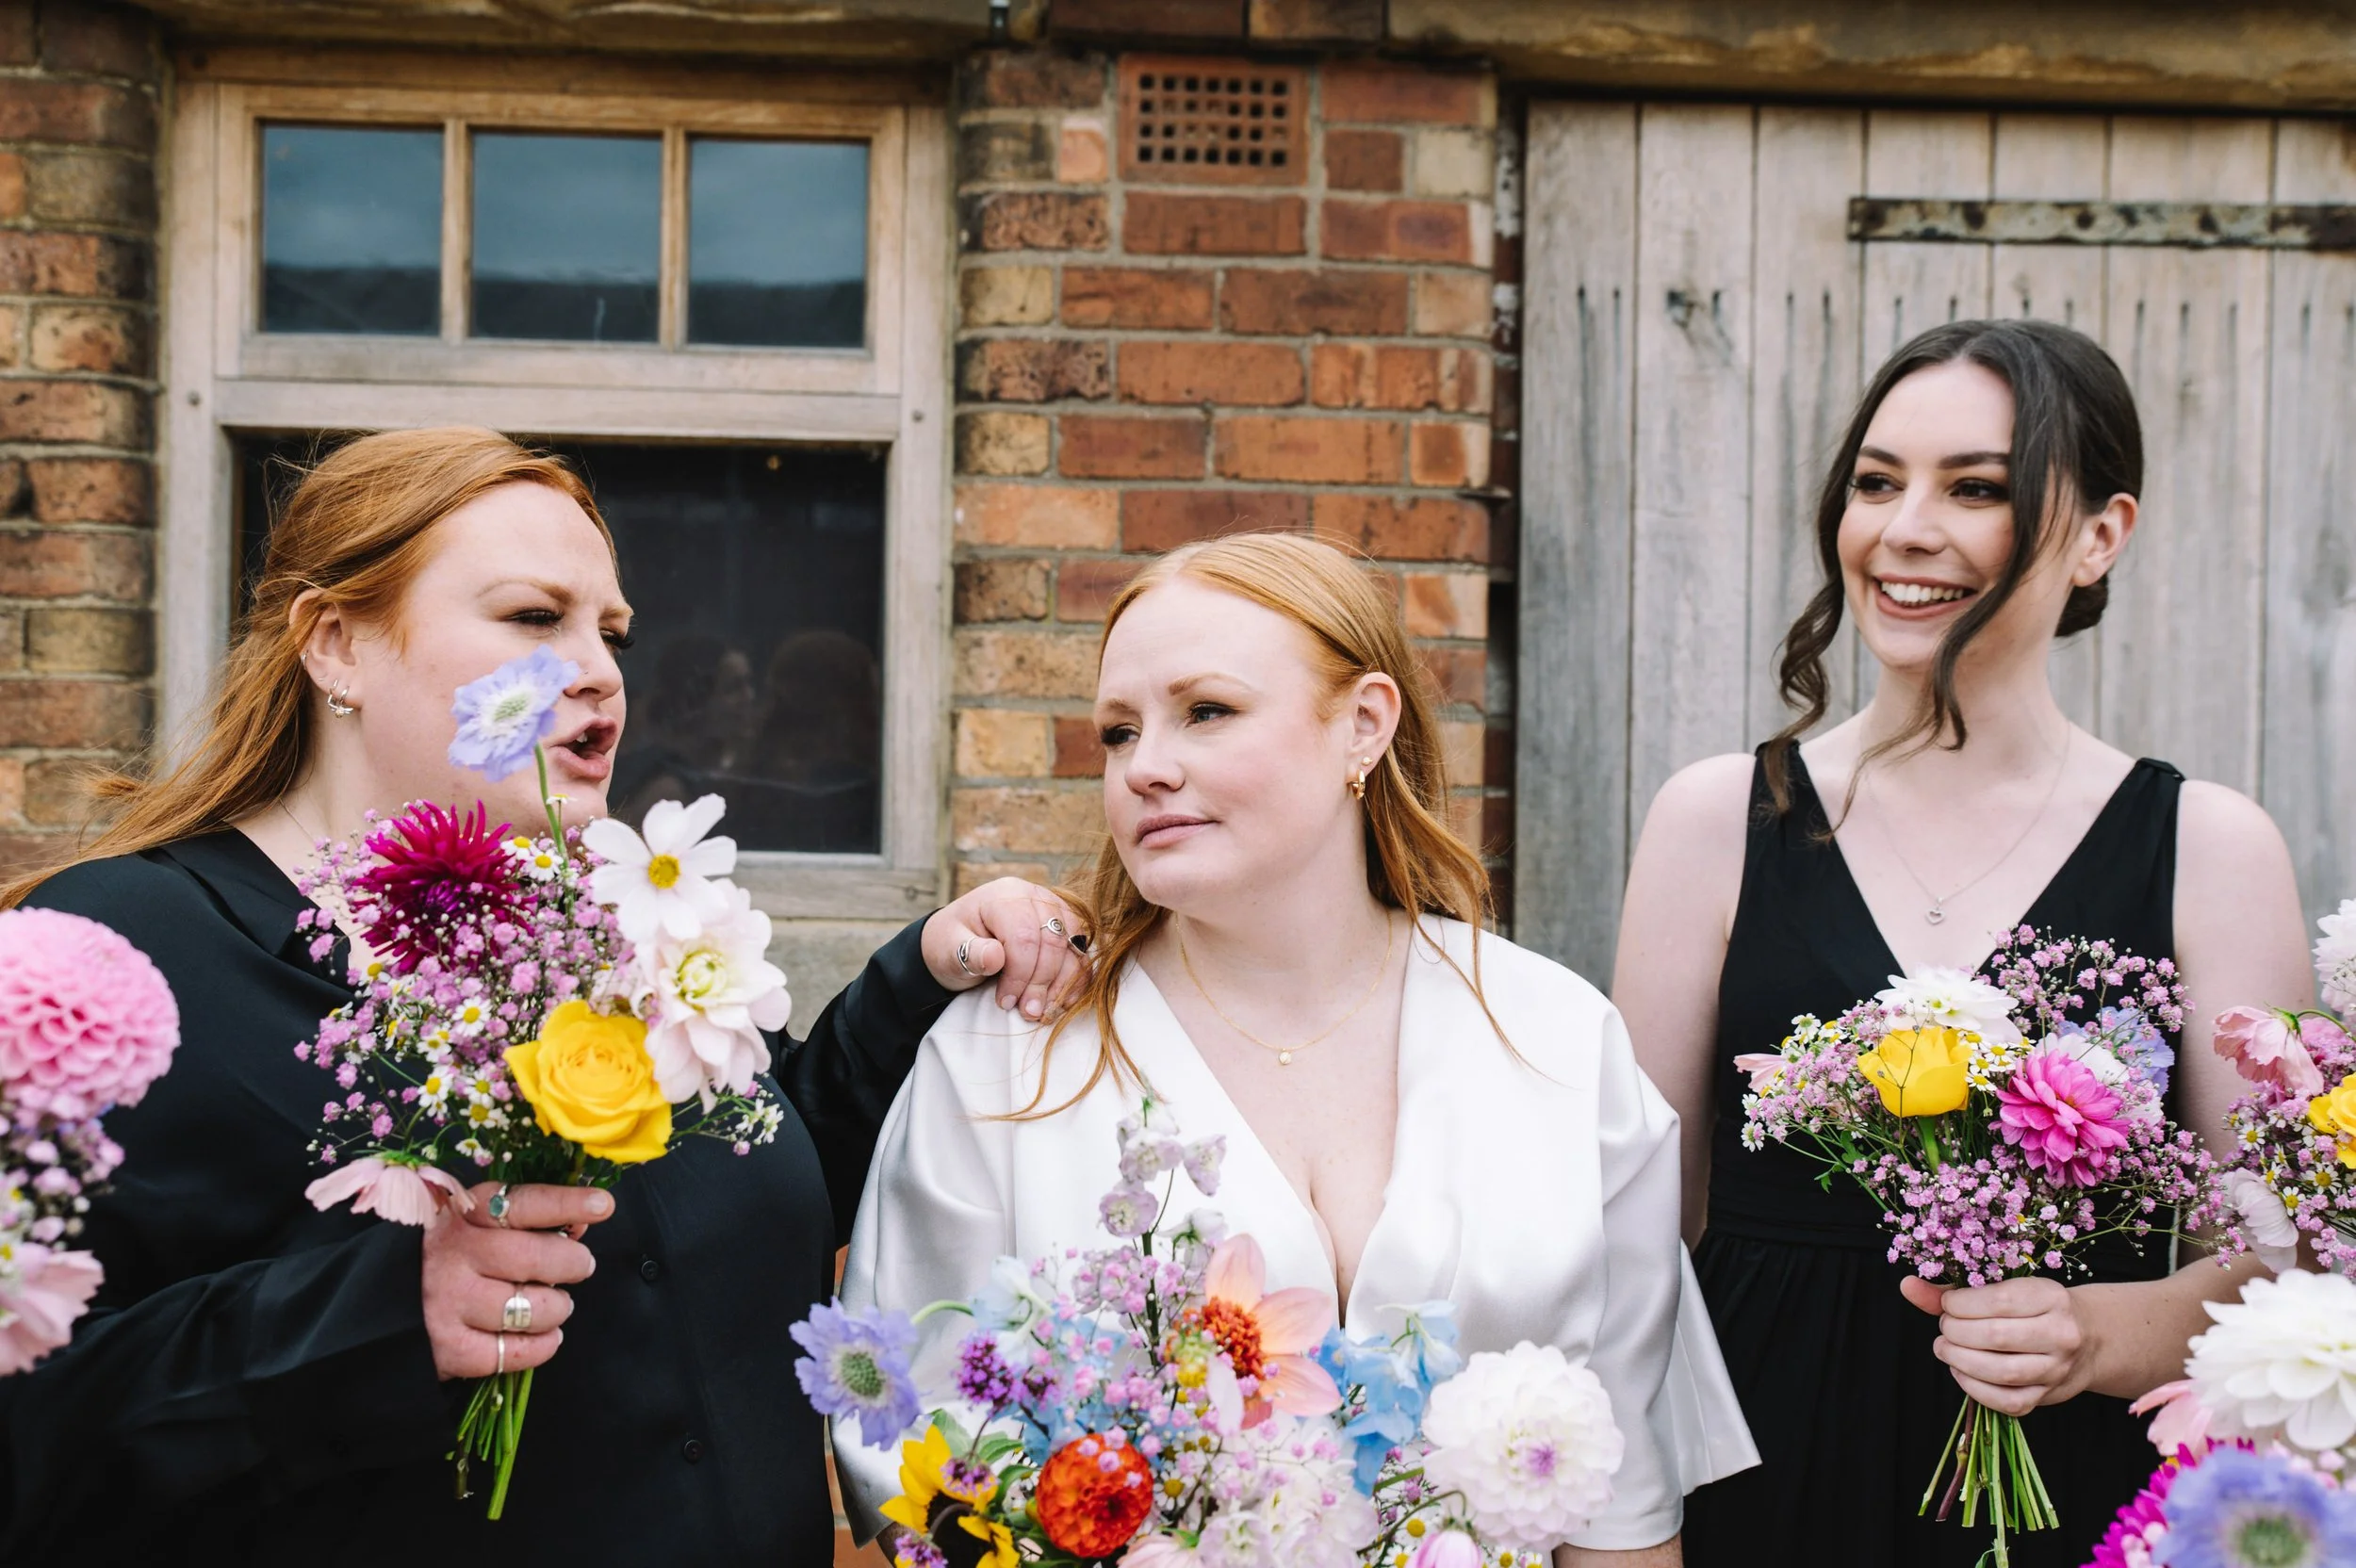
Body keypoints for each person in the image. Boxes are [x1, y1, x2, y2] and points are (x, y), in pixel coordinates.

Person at [0, 427, 1088, 1563]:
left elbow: (721, 1200)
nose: (601, 669)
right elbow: (31, 1432)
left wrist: (921, 980)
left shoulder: (594, 926)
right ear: (335, 645)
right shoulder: (111, 953)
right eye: (533, 617)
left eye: (612, 632)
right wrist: (374, 1320)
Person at [835, 532, 1759, 1565]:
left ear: (1363, 724)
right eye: (1117, 731)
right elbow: (927, 1480)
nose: (1145, 766)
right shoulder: (1008, 1054)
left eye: (1207, 711)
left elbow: (1619, 1504)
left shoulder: (1556, 1038)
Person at [1614, 320, 2315, 1565]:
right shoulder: (1714, 821)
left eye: (1975, 488)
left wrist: (2089, 1338)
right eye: (1877, 482)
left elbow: (2271, 1265)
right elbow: (1636, 1240)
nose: (1904, 529)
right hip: (1753, 1478)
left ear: (2100, 534)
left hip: (2066, 1492)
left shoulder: (2211, 849)